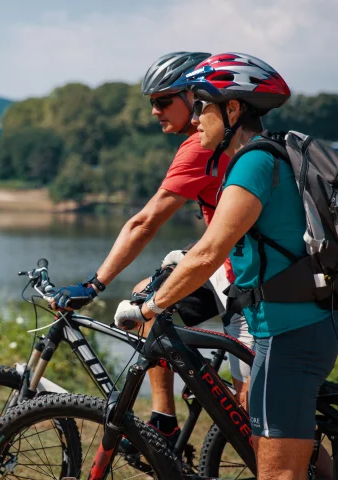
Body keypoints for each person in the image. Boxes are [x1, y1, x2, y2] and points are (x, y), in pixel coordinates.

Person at [116, 52, 338, 480]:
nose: (196, 118)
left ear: (233, 109)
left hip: (289, 334)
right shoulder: (270, 154)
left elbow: (209, 251)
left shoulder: (252, 162)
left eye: (202, 106)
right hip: (301, 323)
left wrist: (150, 307)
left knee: (277, 474)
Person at [49, 51, 253, 445]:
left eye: (163, 101)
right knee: (148, 297)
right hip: (227, 264)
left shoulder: (199, 147)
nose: (154, 111)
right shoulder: (216, 140)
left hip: (245, 275)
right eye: (151, 103)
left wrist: (94, 286)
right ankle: (164, 419)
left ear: (194, 98)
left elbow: (144, 223)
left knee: (253, 424)